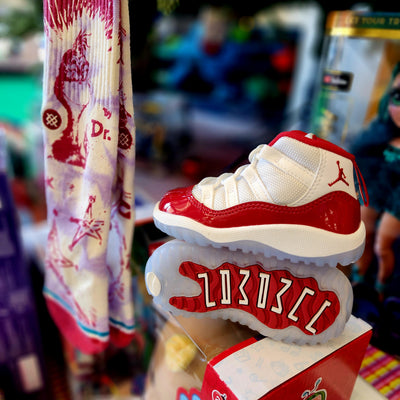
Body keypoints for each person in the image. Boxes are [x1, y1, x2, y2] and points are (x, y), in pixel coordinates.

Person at [351, 61, 400, 298]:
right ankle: (358, 280)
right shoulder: (381, 135)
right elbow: (364, 160)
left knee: (383, 245)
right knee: (361, 234)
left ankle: (381, 287)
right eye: (397, 97)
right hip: (377, 191)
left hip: (397, 201)